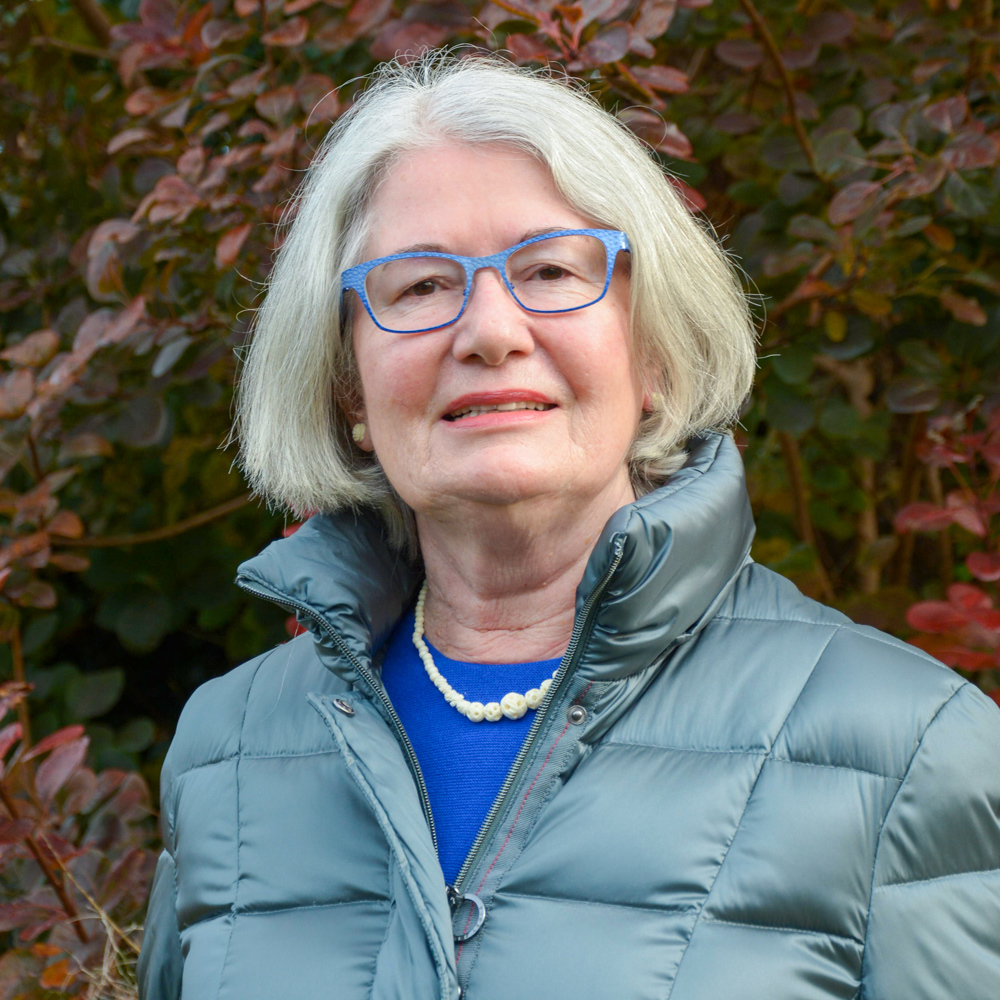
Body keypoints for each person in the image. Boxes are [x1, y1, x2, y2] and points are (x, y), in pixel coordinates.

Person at [138, 51, 1000, 1000]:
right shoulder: (227, 749)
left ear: (653, 353)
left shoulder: (907, 746)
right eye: (420, 286)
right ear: (349, 386)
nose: (489, 332)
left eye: (550, 270)